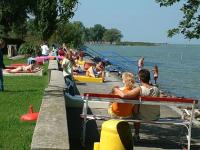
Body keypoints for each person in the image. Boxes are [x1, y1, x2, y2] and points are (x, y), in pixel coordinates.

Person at [113, 69, 160, 141]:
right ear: (149, 78)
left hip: (142, 117)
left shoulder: (140, 89)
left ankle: (136, 134)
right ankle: (136, 134)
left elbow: (124, 95)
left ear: (139, 78)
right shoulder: (156, 89)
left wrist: (115, 89)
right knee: (137, 108)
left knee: (135, 112)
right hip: (155, 116)